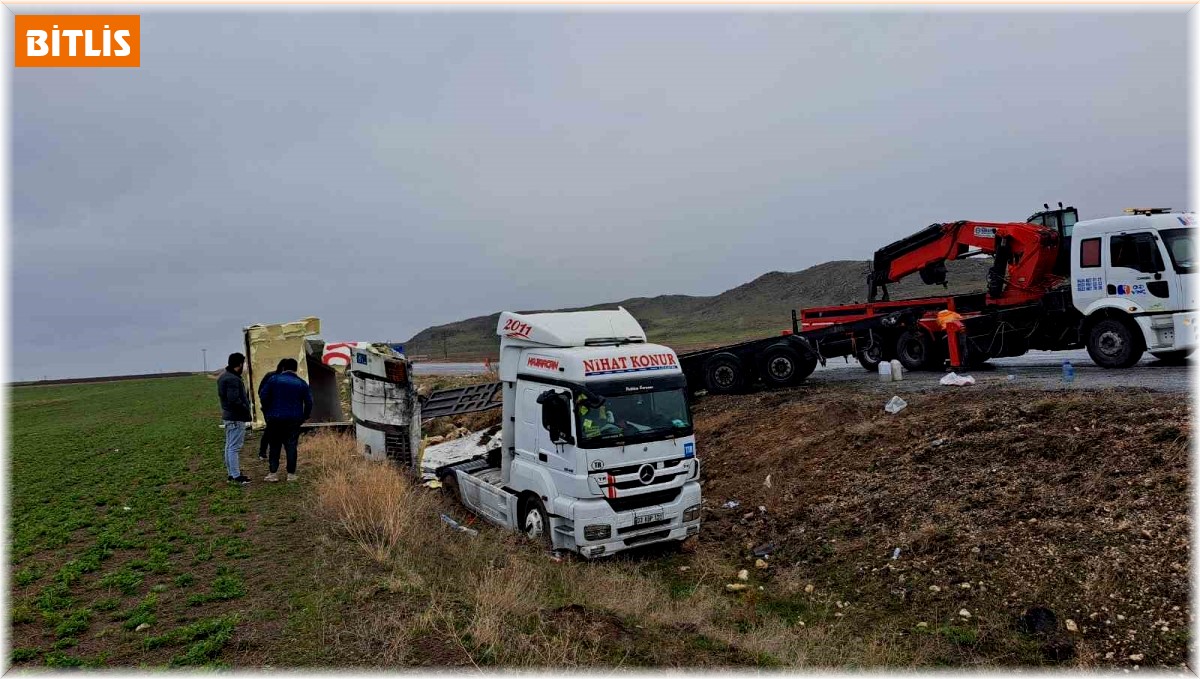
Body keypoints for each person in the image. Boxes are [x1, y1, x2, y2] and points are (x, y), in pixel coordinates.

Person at [259, 358, 313, 482]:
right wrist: (304, 416)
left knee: (274, 445)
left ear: (283, 368)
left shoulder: (273, 380)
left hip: (274, 418)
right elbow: (309, 402)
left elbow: (263, 395)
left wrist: (268, 411)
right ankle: (291, 474)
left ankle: (273, 473)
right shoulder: (301, 383)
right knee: (291, 446)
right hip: (294, 419)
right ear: (296, 368)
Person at [216, 353, 252, 485]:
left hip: (228, 416)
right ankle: (236, 476)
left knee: (229, 446)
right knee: (234, 448)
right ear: (240, 364)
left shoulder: (223, 377)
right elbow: (234, 400)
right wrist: (245, 409)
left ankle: (231, 474)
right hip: (236, 418)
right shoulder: (233, 379)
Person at [256, 359, 288, 462]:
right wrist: (267, 405)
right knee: (270, 429)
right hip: (269, 409)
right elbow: (261, 391)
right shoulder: (270, 376)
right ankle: (262, 452)